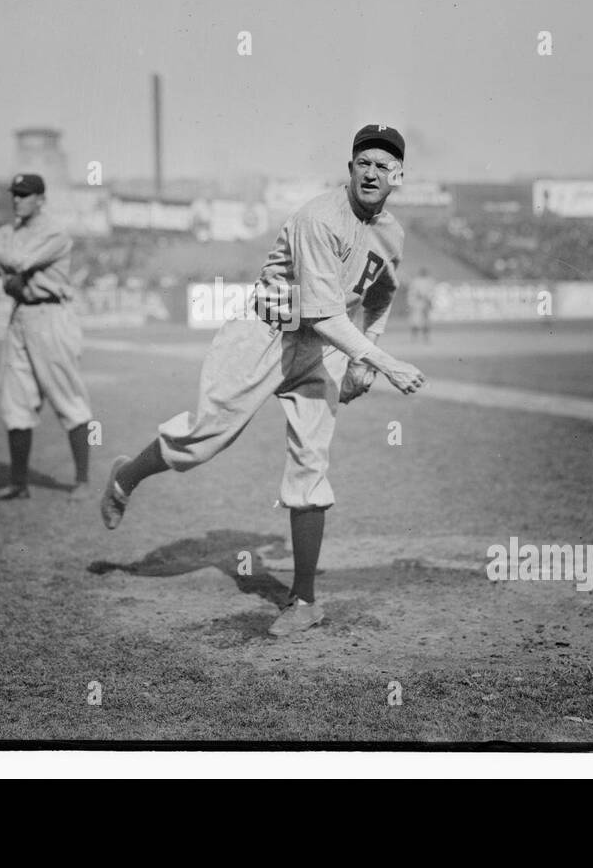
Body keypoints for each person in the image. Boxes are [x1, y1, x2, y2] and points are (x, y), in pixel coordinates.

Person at [99, 125, 427, 637]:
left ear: (399, 177)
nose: (372, 172)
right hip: (267, 333)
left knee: (311, 463)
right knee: (204, 438)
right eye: (364, 161)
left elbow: (381, 294)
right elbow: (320, 313)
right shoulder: (320, 218)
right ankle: (127, 475)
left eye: (384, 166)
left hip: (322, 348)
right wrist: (382, 361)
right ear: (349, 169)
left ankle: (303, 601)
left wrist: (364, 357)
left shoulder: (393, 234)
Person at [0, 173, 94, 502]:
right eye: (15, 193)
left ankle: (82, 480)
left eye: (25, 194)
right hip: (21, 316)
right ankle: (18, 483)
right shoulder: (7, 232)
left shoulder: (54, 232)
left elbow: (19, 262)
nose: (17, 199)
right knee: (15, 401)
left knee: (67, 397)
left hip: (52, 315)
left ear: (41, 198)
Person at [408, 266, 435, 342]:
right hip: (417, 303)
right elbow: (412, 293)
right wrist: (411, 302)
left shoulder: (429, 281)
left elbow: (431, 292)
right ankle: (414, 337)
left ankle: (426, 337)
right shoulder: (416, 281)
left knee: (426, 321)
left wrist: (430, 301)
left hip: (425, 303)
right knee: (415, 321)